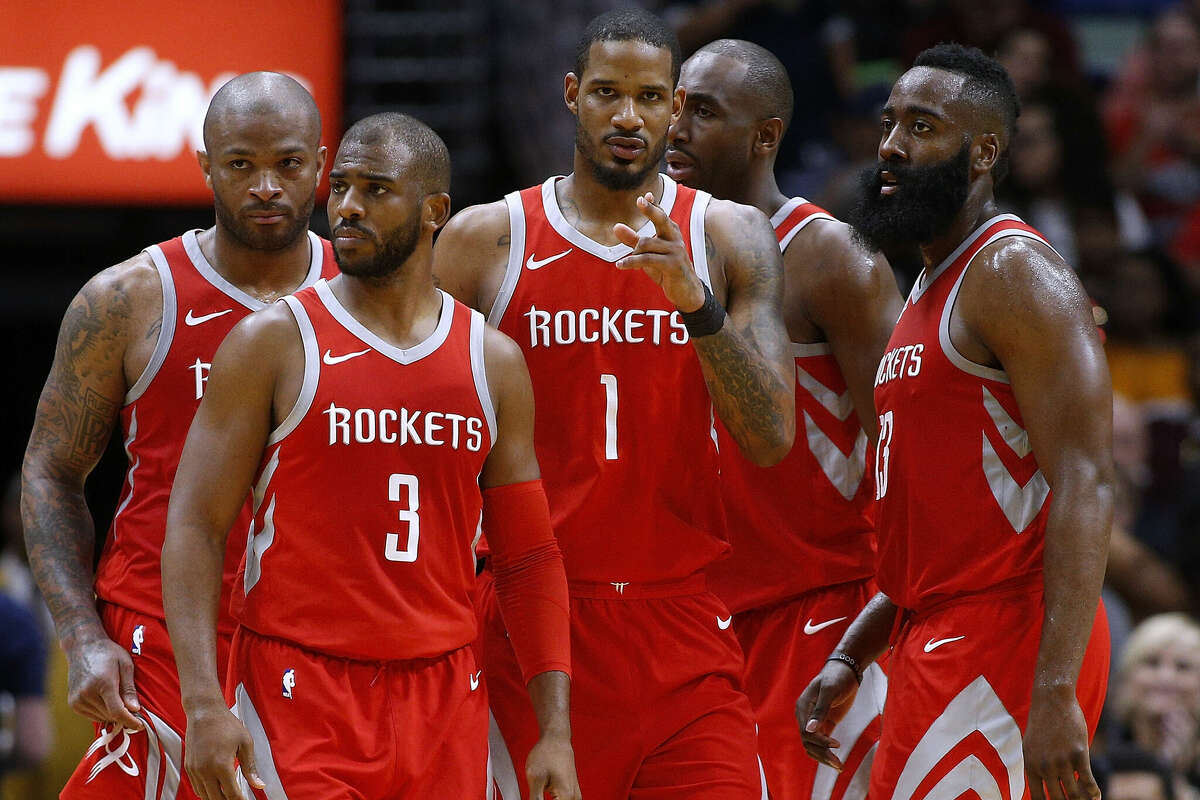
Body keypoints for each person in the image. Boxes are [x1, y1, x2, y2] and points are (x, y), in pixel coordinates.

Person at [162, 113, 579, 800]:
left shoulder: (492, 362)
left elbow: (529, 557)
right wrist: (204, 702)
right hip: (301, 689)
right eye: (343, 185)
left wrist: (554, 732)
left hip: (445, 695)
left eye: (376, 189)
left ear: (433, 211)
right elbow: (195, 528)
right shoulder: (272, 343)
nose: (348, 205)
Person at [434, 9, 795, 799]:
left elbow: (770, 436)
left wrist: (694, 305)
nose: (627, 116)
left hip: (681, 626)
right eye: (606, 92)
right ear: (571, 94)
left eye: (649, 97)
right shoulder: (486, 240)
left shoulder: (730, 237)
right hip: (530, 626)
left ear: (673, 108)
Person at [796, 43, 1112, 800]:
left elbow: (1088, 481)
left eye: (924, 127)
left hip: (1011, 632)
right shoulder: (931, 284)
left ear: (984, 152)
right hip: (936, 627)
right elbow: (937, 525)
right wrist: (854, 649)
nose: (893, 146)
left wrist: (1055, 687)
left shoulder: (1012, 273)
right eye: (890, 122)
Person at [19, 72, 337, 799]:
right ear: (203, 165)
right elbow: (49, 470)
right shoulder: (128, 299)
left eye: (287, 163)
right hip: (157, 635)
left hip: (317, 639)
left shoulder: (370, 296)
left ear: (321, 165)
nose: (265, 186)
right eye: (240, 165)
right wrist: (81, 635)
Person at [665, 39, 902, 800]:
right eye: (675, 106)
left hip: (816, 613)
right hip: (693, 619)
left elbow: (907, 450)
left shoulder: (834, 258)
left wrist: (878, 625)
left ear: (765, 136)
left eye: (703, 112)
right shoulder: (651, 249)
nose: (675, 128)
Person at [1109, 613, 1200, 798]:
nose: (1165, 677)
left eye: (1183, 666)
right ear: (1127, 677)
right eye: (1152, 663)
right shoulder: (1098, 752)